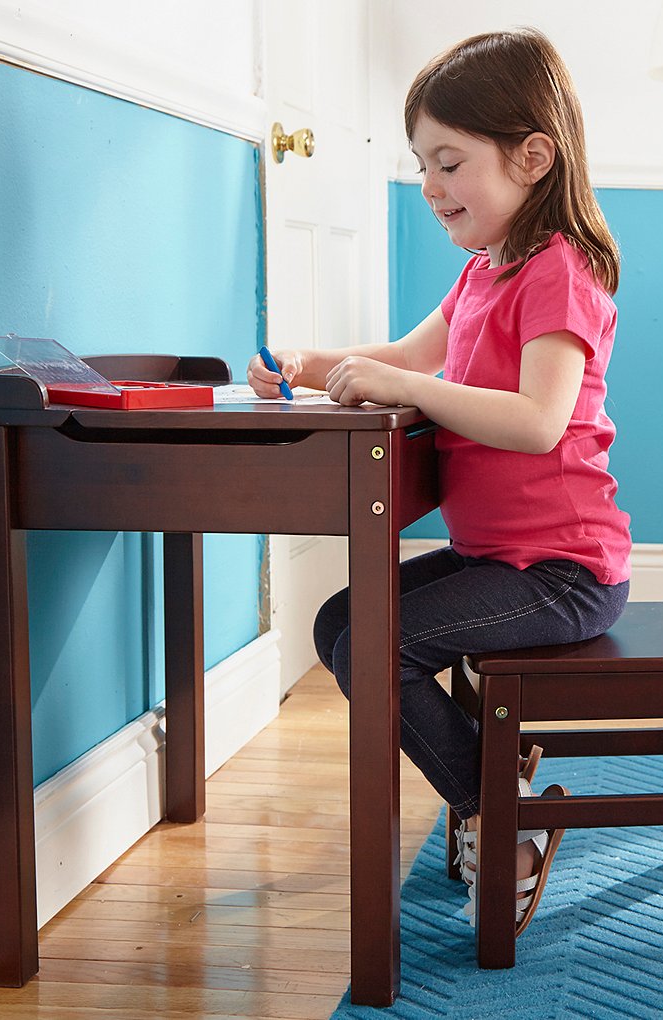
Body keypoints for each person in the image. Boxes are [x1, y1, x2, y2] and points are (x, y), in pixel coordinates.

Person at [247, 28, 631, 936]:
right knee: (339, 624)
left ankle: (502, 812)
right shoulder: (483, 273)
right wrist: (306, 363)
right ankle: (496, 786)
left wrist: (411, 390)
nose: (429, 185)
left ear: (533, 158)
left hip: (564, 571)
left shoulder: (559, 272)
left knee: (377, 645)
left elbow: (537, 420)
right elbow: (405, 356)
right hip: (497, 556)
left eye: (449, 162)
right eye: (422, 164)